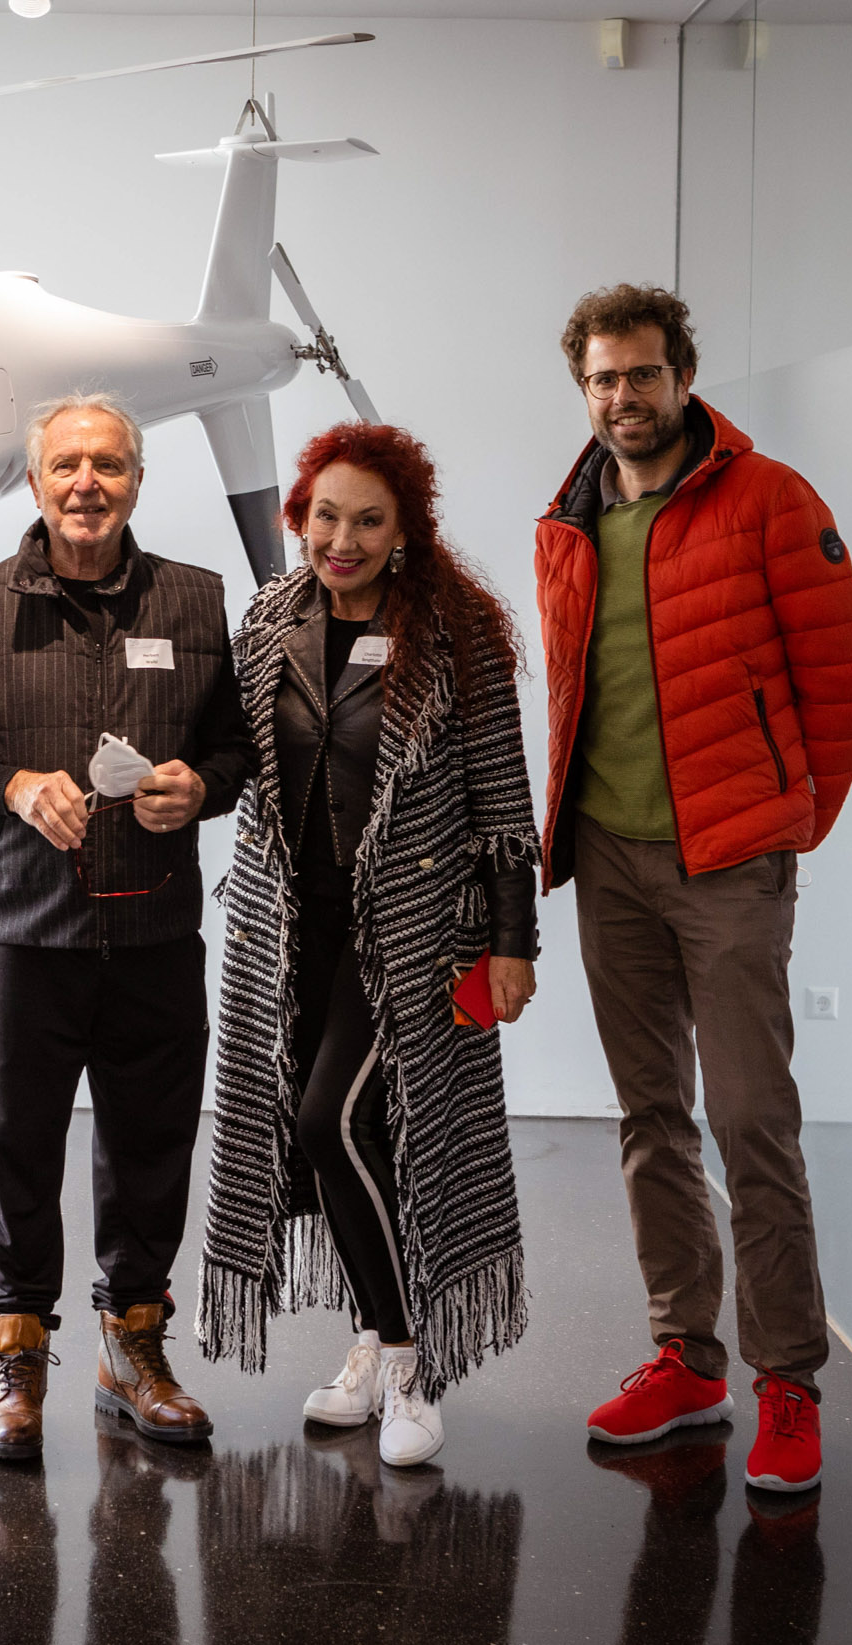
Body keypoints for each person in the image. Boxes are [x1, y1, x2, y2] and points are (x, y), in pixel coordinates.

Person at [534, 284, 852, 1494]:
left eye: (642, 374)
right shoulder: (568, 522)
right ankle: (686, 1357)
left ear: (682, 377)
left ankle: (789, 1381)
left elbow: (844, 676)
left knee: (749, 1121)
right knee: (650, 1119)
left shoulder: (770, 498)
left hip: (729, 863)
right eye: (602, 379)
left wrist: (784, 822)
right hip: (608, 861)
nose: (622, 397)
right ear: (582, 390)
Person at [0, 392, 253, 1461]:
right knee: (14, 1150)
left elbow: (237, 751)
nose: (87, 483)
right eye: (67, 465)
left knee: (151, 1146)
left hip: (156, 935)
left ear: (137, 482)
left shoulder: (195, 600)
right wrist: (10, 787)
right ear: (36, 481)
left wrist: (203, 786)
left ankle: (133, 1347)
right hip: (26, 935)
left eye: (108, 465)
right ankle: (16, 1356)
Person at [198, 423, 540, 1467]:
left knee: (330, 1122)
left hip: (410, 931)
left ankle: (405, 1361)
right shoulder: (270, 619)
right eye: (325, 517)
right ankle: (368, 1332)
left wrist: (513, 942)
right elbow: (235, 759)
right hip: (290, 929)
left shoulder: (453, 635)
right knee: (351, 1140)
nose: (340, 540)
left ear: (404, 533)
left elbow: (501, 802)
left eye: (367, 521)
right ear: (297, 517)